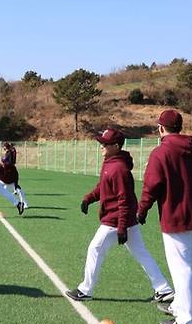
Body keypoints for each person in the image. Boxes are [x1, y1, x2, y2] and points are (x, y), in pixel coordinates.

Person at [65, 128, 174, 304]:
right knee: (141, 253)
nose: (101, 146)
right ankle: (164, 289)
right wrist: (88, 199)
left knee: (95, 249)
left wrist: (122, 227)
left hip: (116, 220)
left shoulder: (119, 169)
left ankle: (85, 290)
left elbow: (124, 200)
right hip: (124, 220)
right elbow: (103, 186)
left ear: (116, 146)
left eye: (104, 144)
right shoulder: (110, 162)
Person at [137, 110, 192, 324]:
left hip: (175, 219)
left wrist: (141, 210)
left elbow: (151, 187)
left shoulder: (160, 153)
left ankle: (187, 320)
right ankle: (179, 305)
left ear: (161, 128)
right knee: (188, 265)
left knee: (182, 269)